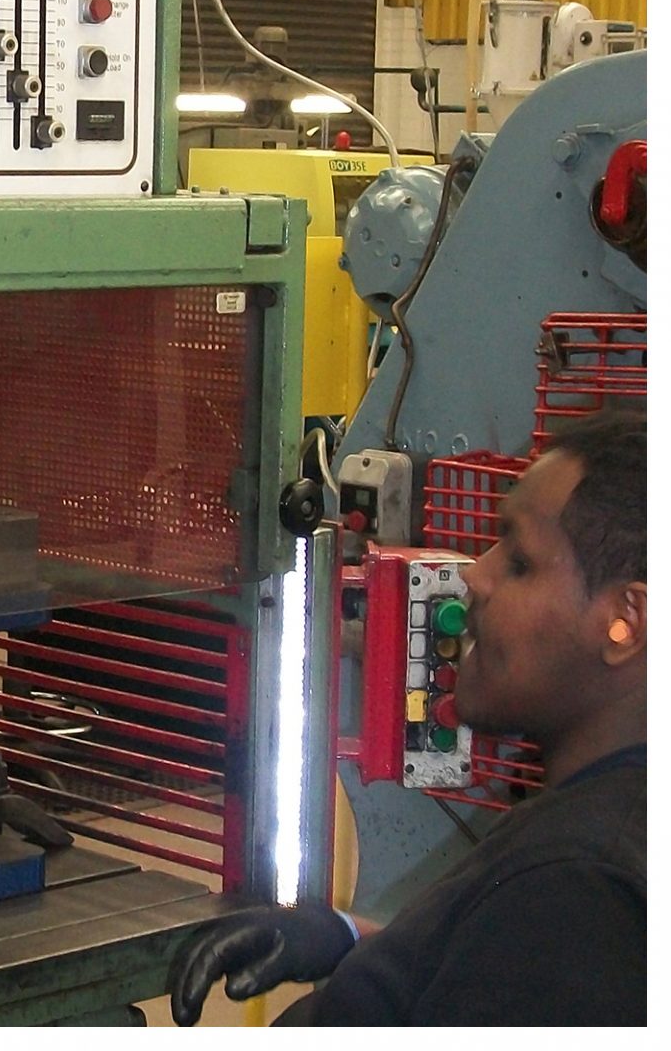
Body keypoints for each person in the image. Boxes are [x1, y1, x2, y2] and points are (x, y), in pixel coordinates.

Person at [170, 410, 647, 1025]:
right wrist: (350, 937)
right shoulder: (599, 826)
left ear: (625, 623)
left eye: (522, 562)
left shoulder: (576, 884)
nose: (477, 575)